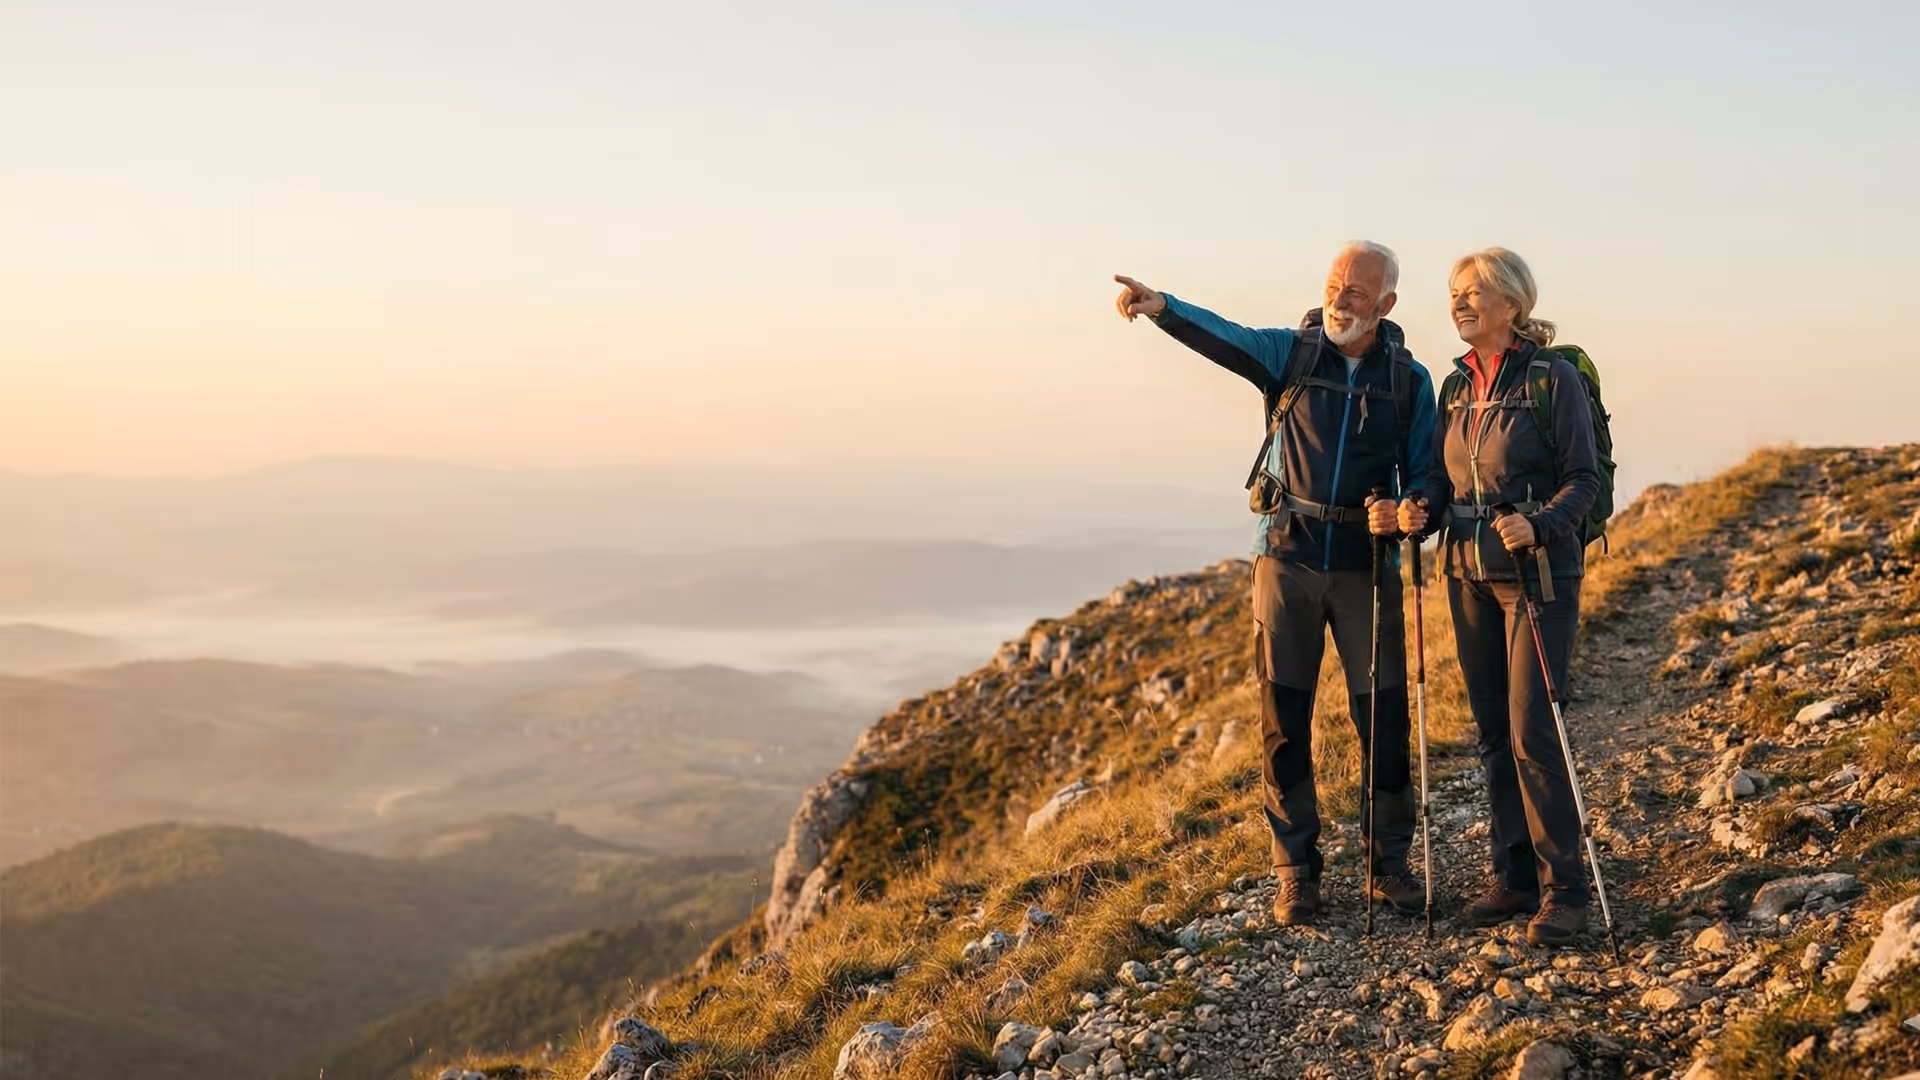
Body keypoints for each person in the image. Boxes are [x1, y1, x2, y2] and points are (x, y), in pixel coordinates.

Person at [1115, 243, 1438, 926]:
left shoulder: (1410, 381)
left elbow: (1428, 474)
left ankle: (1389, 866)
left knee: (1381, 720)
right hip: (1284, 560)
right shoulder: (1292, 354)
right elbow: (1225, 338)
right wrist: (1163, 308)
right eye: (1333, 285)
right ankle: (1297, 873)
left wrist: (1414, 512)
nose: (1340, 299)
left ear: (1386, 305)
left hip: (1367, 567)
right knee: (1283, 722)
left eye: (1356, 291)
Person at [1379, 247, 1600, 946]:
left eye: (1474, 292)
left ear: (1513, 302)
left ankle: (1564, 890)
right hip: (1466, 575)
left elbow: (1582, 481)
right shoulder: (1456, 389)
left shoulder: (1551, 380)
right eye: (1453, 292)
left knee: (1534, 730)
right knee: (1491, 734)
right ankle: (1513, 877)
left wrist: (1538, 525)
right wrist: (1419, 508)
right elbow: (1444, 485)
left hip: (1538, 578)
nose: (1459, 302)